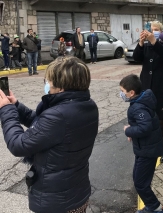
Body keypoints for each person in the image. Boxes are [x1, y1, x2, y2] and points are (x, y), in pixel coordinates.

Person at [0, 56, 99, 212]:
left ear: (61, 87)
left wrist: (6, 110)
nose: (47, 84)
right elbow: (42, 127)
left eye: (49, 81)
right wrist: (16, 106)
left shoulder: (58, 115)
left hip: (57, 202)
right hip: (76, 192)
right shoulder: (86, 105)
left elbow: (18, 144)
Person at [133, 21, 163, 163]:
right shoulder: (146, 44)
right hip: (147, 86)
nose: (152, 31)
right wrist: (141, 43)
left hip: (162, 87)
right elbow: (137, 57)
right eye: (151, 29)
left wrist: (154, 42)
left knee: (162, 121)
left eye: (155, 29)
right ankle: (152, 147)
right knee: (148, 120)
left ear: (161, 31)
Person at [120, 74, 163, 213]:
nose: (121, 94)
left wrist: (129, 131)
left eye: (123, 91)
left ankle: (155, 207)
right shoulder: (141, 101)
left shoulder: (138, 107)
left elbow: (145, 127)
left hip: (148, 150)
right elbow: (144, 124)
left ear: (131, 92)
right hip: (145, 147)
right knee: (139, 180)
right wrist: (134, 131)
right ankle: (152, 206)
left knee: (140, 183)